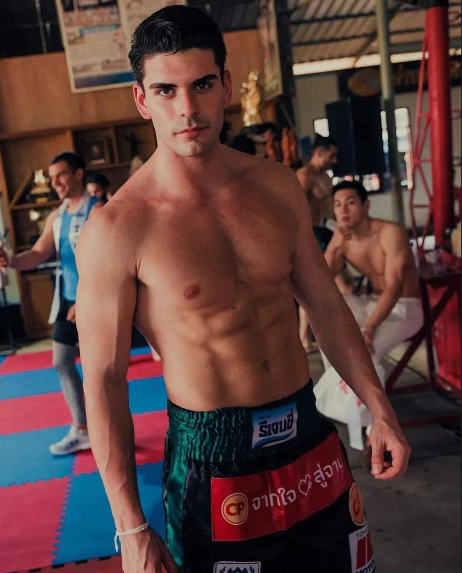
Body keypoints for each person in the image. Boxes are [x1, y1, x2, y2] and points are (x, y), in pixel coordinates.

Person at [75, 7, 410, 573]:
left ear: (226, 85)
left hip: (307, 433)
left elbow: (326, 306)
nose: (187, 108)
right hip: (213, 457)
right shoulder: (117, 229)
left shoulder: (276, 186)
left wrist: (380, 409)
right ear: (141, 99)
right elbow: (104, 379)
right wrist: (130, 527)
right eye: (166, 90)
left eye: (202, 85)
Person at [0, 151, 101, 455]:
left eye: (61, 175)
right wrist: (11, 260)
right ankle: (81, 429)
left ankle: (112, 433)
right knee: (61, 362)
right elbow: (38, 254)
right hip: (68, 299)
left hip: (96, 300)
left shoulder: (98, 211)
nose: (55, 182)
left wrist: (86, 299)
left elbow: (108, 262)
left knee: (101, 372)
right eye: (52, 177)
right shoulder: (57, 216)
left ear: (79, 173)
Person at [315, 180, 424, 450]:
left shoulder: (390, 233)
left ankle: (373, 432)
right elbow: (319, 280)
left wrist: (369, 327)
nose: (343, 210)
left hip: (404, 308)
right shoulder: (344, 238)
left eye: (350, 203)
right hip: (371, 303)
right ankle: (347, 402)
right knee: (328, 324)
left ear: (366, 205)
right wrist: (335, 246)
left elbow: (395, 287)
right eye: (337, 205)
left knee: (364, 351)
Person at [296, 135, 339, 352]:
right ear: (319, 153)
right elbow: (295, 208)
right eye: (332, 155)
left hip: (329, 230)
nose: (335, 160)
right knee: (314, 287)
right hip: (314, 233)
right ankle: (304, 338)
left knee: (341, 282)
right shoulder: (305, 175)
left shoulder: (326, 176)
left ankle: (320, 334)